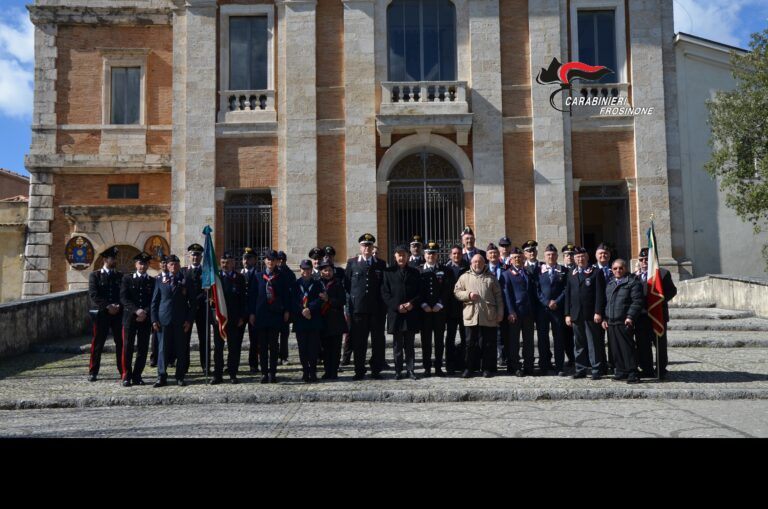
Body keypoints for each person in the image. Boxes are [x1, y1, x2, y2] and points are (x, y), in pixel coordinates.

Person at [344, 233, 387, 380]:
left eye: (369, 245)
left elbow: (383, 286)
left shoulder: (381, 264)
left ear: (373, 246)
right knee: (359, 342)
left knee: (378, 342)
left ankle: (376, 370)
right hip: (358, 310)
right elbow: (347, 284)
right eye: (364, 245)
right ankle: (359, 370)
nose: (367, 248)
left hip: (376, 310)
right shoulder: (352, 263)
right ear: (360, 247)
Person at [454, 253, 504, 378]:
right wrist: (468, 295)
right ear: (471, 264)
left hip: (488, 315)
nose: (477, 264)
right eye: (475, 262)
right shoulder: (464, 277)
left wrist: (500, 312)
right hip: (471, 315)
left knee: (488, 344)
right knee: (470, 344)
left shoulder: (491, 278)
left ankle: (487, 368)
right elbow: (457, 292)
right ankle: (468, 368)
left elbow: (498, 296)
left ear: (484, 264)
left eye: (480, 262)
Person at [150, 254, 195, 387]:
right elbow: (154, 302)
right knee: (162, 349)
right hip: (163, 320)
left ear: (179, 266)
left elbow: (193, 302)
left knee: (181, 349)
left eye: (176, 264)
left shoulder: (186, 280)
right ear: (167, 266)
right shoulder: (159, 280)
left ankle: (180, 376)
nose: (173, 266)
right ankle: (161, 376)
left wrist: (189, 320)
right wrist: (154, 319)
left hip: (181, 321)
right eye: (171, 264)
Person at [249, 250, 291, 383]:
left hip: (275, 315)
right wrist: (251, 313)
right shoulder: (257, 276)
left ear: (276, 261)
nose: (270, 262)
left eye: (272, 260)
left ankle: (272, 373)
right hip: (261, 315)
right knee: (262, 346)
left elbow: (286, 296)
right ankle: (264, 373)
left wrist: (286, 311)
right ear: (264, 261)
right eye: (268, 259)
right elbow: (252, 296)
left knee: (273, 346)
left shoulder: (281, 276)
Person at [635, 248, 678, 379]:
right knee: (643, 344)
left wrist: (659, 300)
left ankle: (661, 370)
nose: (644, 262)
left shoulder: (663, 274)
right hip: (641, 316)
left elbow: (672, 291)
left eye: (646, 259)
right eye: (641, 260)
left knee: (659, 344)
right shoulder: (635, 276)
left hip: (658, 314)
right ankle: (646, 369)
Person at [564, 247, 607, 380]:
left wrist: (598, 312)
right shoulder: (572, 273)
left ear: (588, 257)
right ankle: (580, 368)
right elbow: (568, 295)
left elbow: (600, 294)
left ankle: (596, 368)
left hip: (591, 314)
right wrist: (567, 314)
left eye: (582, 257)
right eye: (577, 257)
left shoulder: (595, 272)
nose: (580, 259)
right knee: (579, 343)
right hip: (576, 314)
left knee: (593, 342)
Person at [381, 245, 423, 380]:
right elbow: (385, 293)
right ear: (395, 256)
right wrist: (396, 306)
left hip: (411, 313)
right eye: (399, 255)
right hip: (396, 314)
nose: (401, 257)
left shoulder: (415, 272)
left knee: (410, 345)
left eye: (404, 255)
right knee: (397, 345)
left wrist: (412, 303)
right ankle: (398, 370)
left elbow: (419, 292)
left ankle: (411, 370)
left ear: (408, 256)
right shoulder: (388, 272)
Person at [602, 259, 643, 384]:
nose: (618, 271)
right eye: (615, 268)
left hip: (624, 320)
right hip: (611, 321)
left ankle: (632, 372)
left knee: (627, 348)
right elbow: (606, 303)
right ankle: (620, 371)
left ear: (625, 268)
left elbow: (637, 301)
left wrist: (630, 316)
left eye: (620, 268)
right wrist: (605, 318)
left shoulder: (633, 282)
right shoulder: (610, 284)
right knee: (615, 348)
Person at [210, 252, 248, 385]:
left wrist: (242, 317)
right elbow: (211, 299)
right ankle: (217, 375)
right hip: (219, 319)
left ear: (233, 263)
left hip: (234, 318)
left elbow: (243, 299)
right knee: (218, 348)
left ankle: (233, 373)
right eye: (223, 263)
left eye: (228, 262)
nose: (225, 265)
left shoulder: (239, 278)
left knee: (233, 348)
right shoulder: (215, 279)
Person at [87, 246, 123, 382]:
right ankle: (93, 371)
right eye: (112, 258)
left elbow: (123, 293)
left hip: (118, 313)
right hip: (102, 313)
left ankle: (123, 370)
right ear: (105, 259)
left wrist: (118, 305)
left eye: (115, 258)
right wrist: (108, 306)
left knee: (120, 343)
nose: (115, 260)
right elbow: (94, 294)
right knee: (98, 343)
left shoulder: (120, 276)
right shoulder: (95, 275)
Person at [418, 241, 454, 377]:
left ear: (437, 255)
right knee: (425, 340)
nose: (431, 256)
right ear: (424, 254)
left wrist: (440, 304)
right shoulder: (419, 270)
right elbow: (417, 290)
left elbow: (448, 289)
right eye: (428, 253)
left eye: (433, 253)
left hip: (440, 311)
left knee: (439, 341)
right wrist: (423, 304)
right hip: (424, 311)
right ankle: (427, 367)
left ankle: (438, 367)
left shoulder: (446, 270)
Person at [119, 251, 155, 386]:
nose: (142, 266)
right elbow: (123, 298)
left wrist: (144, 312)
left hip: (145, 319)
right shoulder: (127, 279)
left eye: (145, 264)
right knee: (127, 347)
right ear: (136, 264)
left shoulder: (152, 281)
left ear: (148, 265)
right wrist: (136, 310)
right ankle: (126, 375)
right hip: (129, 318)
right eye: (140, 263)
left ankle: (137, 375)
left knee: (143, 348)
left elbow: (153, 300)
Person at [501, 247, 536, 377]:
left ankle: (529, 366)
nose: (518, 259)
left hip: (528, 313)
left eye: (519, 257)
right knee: (514, 342)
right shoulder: (506, 275)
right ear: (511, 260)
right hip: (514, 313)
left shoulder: (528, 272)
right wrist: (510, 311)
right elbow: (506, 294)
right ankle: (515, 366)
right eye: (515, 257)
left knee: (529, 342)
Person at [536, 244, 568, 376]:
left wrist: (557, 301)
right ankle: (544, 365)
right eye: (548, 254)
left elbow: (567, 289)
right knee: (542, 339)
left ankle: (559, 366)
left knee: (559, 338)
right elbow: (536, 290)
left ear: (557, 256)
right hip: (543, 310)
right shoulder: (538, 271)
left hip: (557, 310)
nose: (551, 257)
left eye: (553, 254)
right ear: (544, 256)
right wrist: (546, 302)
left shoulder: (564, 270)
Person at [293, 259, 323, 382]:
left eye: (308, 269)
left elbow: (320, 299)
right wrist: (302, 310)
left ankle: (313, 371)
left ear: (311, 270)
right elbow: (293, 300)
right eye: (303, 269)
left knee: (313, 348)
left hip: (313, 319)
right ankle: (305, 371)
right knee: (302, 348)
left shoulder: (317, 284)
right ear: (300, 270)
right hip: (300, 320)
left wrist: (309, 309)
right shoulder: (295, 284)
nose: (306, 271)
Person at [181, 243, 210, 374]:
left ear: (201, 257)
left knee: (204, 338)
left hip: (202, 308)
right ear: (189, 256)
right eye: (193, 255)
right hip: (186, 309)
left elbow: (207, 290)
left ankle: (206, 365)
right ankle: (184, 365)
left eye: (198, 255)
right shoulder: (183, 271)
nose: (195, 257)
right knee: (184, 339)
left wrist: (196, 302)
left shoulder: (206, 271)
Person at [318, 257, 347, 380]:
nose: (327, 273)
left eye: (329, 270)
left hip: (335, 321)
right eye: (325, 270)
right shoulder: (317, 283)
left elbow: (342, 301)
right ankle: (327, 370)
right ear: (321, 272)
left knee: (335, 349)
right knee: (325, 348)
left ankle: (334, 371)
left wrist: (328, 300)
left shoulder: (338, 283)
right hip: (323, 320)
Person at [444, 244, 468, 374]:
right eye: (454, 253)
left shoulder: (468, 267)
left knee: (465, 338)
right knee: (450, 338)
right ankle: (450, 364)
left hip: (465, 308)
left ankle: (464, 364)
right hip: (450, 309)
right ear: (450, 255)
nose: (456, 256)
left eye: (458, 253)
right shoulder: (446, 269)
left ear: (462, 254)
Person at [594, 242, 615, 374]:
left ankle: (614, 364)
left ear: (609, 255)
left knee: (613, 340)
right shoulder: (591, 270)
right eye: (601, 253)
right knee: (597, 340)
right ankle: (600, 365)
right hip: (597, 311)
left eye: (606, 253)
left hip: (613, 310)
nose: (603, 255)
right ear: (596, 255)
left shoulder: (616, 269)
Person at [486, 243, 507, 373]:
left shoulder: (506, 268)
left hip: (502, 305)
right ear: (487, 256)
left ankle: (502, 357)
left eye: (495, 253)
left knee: (502, 333)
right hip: (488, 307)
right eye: (491, 253)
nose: (493, 255)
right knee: (489, 334)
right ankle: (490, 359)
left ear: (499, 255)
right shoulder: (483, 269)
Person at [241, 247, 260, 374]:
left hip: (253, 312)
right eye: (244, 258)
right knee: (236, 339)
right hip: (241, 313)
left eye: (249, 258)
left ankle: (253, 364)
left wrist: (254, 312)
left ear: (255, 260)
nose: (246, 260)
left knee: (255, 340)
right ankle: (233, 364)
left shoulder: (259, 275)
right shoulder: (238, 274)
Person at [276, 250, 296, 365]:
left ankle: (284, 356)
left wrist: (288, 309)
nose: (281, 262)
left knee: (284, 334)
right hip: (275, 308)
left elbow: (291, 293)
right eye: (279, 260)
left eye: (283, 260)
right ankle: (276, 356)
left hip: (285, 308)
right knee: (274, 335)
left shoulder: (290, 274)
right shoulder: (274, 273)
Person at [150, 254, 169, 368]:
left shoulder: (174, 277)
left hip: (167, 312)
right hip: (157, 312)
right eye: (162, 263)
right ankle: (154, 358)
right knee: (155, 338)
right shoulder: (155, 279)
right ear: (159, 265)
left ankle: (170, 359)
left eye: (166, 263)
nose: (164, 265)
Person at [561, 243, 577, 368]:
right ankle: (571, 358)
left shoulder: (579, 269)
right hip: (563, 308)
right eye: (567, 255)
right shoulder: (560, 270)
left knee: (579, 335)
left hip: (576, 308)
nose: (569, 257)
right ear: (563, 257)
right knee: (566, 336)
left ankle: (580, 358)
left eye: (572, 255)